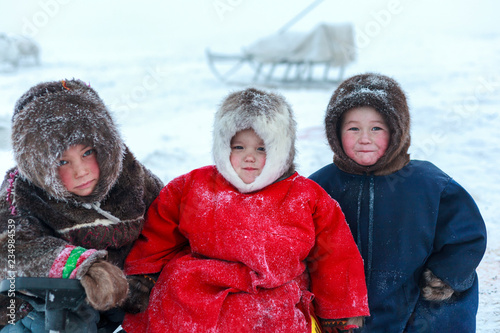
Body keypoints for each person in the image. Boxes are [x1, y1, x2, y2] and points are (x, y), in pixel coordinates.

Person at [121, 88, 370, 332]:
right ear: (223, 147)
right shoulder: (193, 186)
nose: (249, 157)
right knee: (171, 310)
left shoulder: (306, 196)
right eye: (239, 147)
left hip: (271, 299)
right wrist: (144, 277)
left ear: (280, 151)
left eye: (261, 149)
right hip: (195, 291)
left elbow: (334, 256)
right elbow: (159, 232)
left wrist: (340, 314)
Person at [309, 73, 487, 332]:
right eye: (353, 128)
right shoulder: (319, 188)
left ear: (397, 130)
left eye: (376, 128)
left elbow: (466, 237)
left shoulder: (430, 184)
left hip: (418, 313)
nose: (365, 138)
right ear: (335, 133)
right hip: (345, 317)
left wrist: (444, 277)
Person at [0, 79, 163, 332]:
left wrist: (145, 277)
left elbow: (166, 221)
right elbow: (12, 248)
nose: (80, 171)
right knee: (70, 312)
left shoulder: (129, 176)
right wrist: (82, 266)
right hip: (34, 310)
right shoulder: (20, 190)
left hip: (117, 301)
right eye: (63, 162)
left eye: (87, 153)